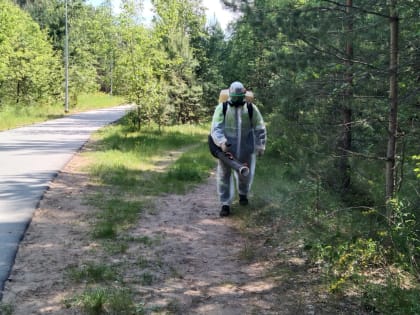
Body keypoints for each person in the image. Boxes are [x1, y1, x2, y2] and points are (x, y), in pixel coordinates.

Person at [210, 81, 267, 217]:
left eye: (239, 96)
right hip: (227, 149)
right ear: (230, 94)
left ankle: (243, 195)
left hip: (246, 148)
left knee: (245, 174)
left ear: (244, 94)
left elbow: (260, 128)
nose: (237, 99)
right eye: (234, 96)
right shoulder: (222, 108)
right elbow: (216, 128)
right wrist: (221, 142)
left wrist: (260, 145)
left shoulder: (251, 108)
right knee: (224, 176)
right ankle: (225, 204)